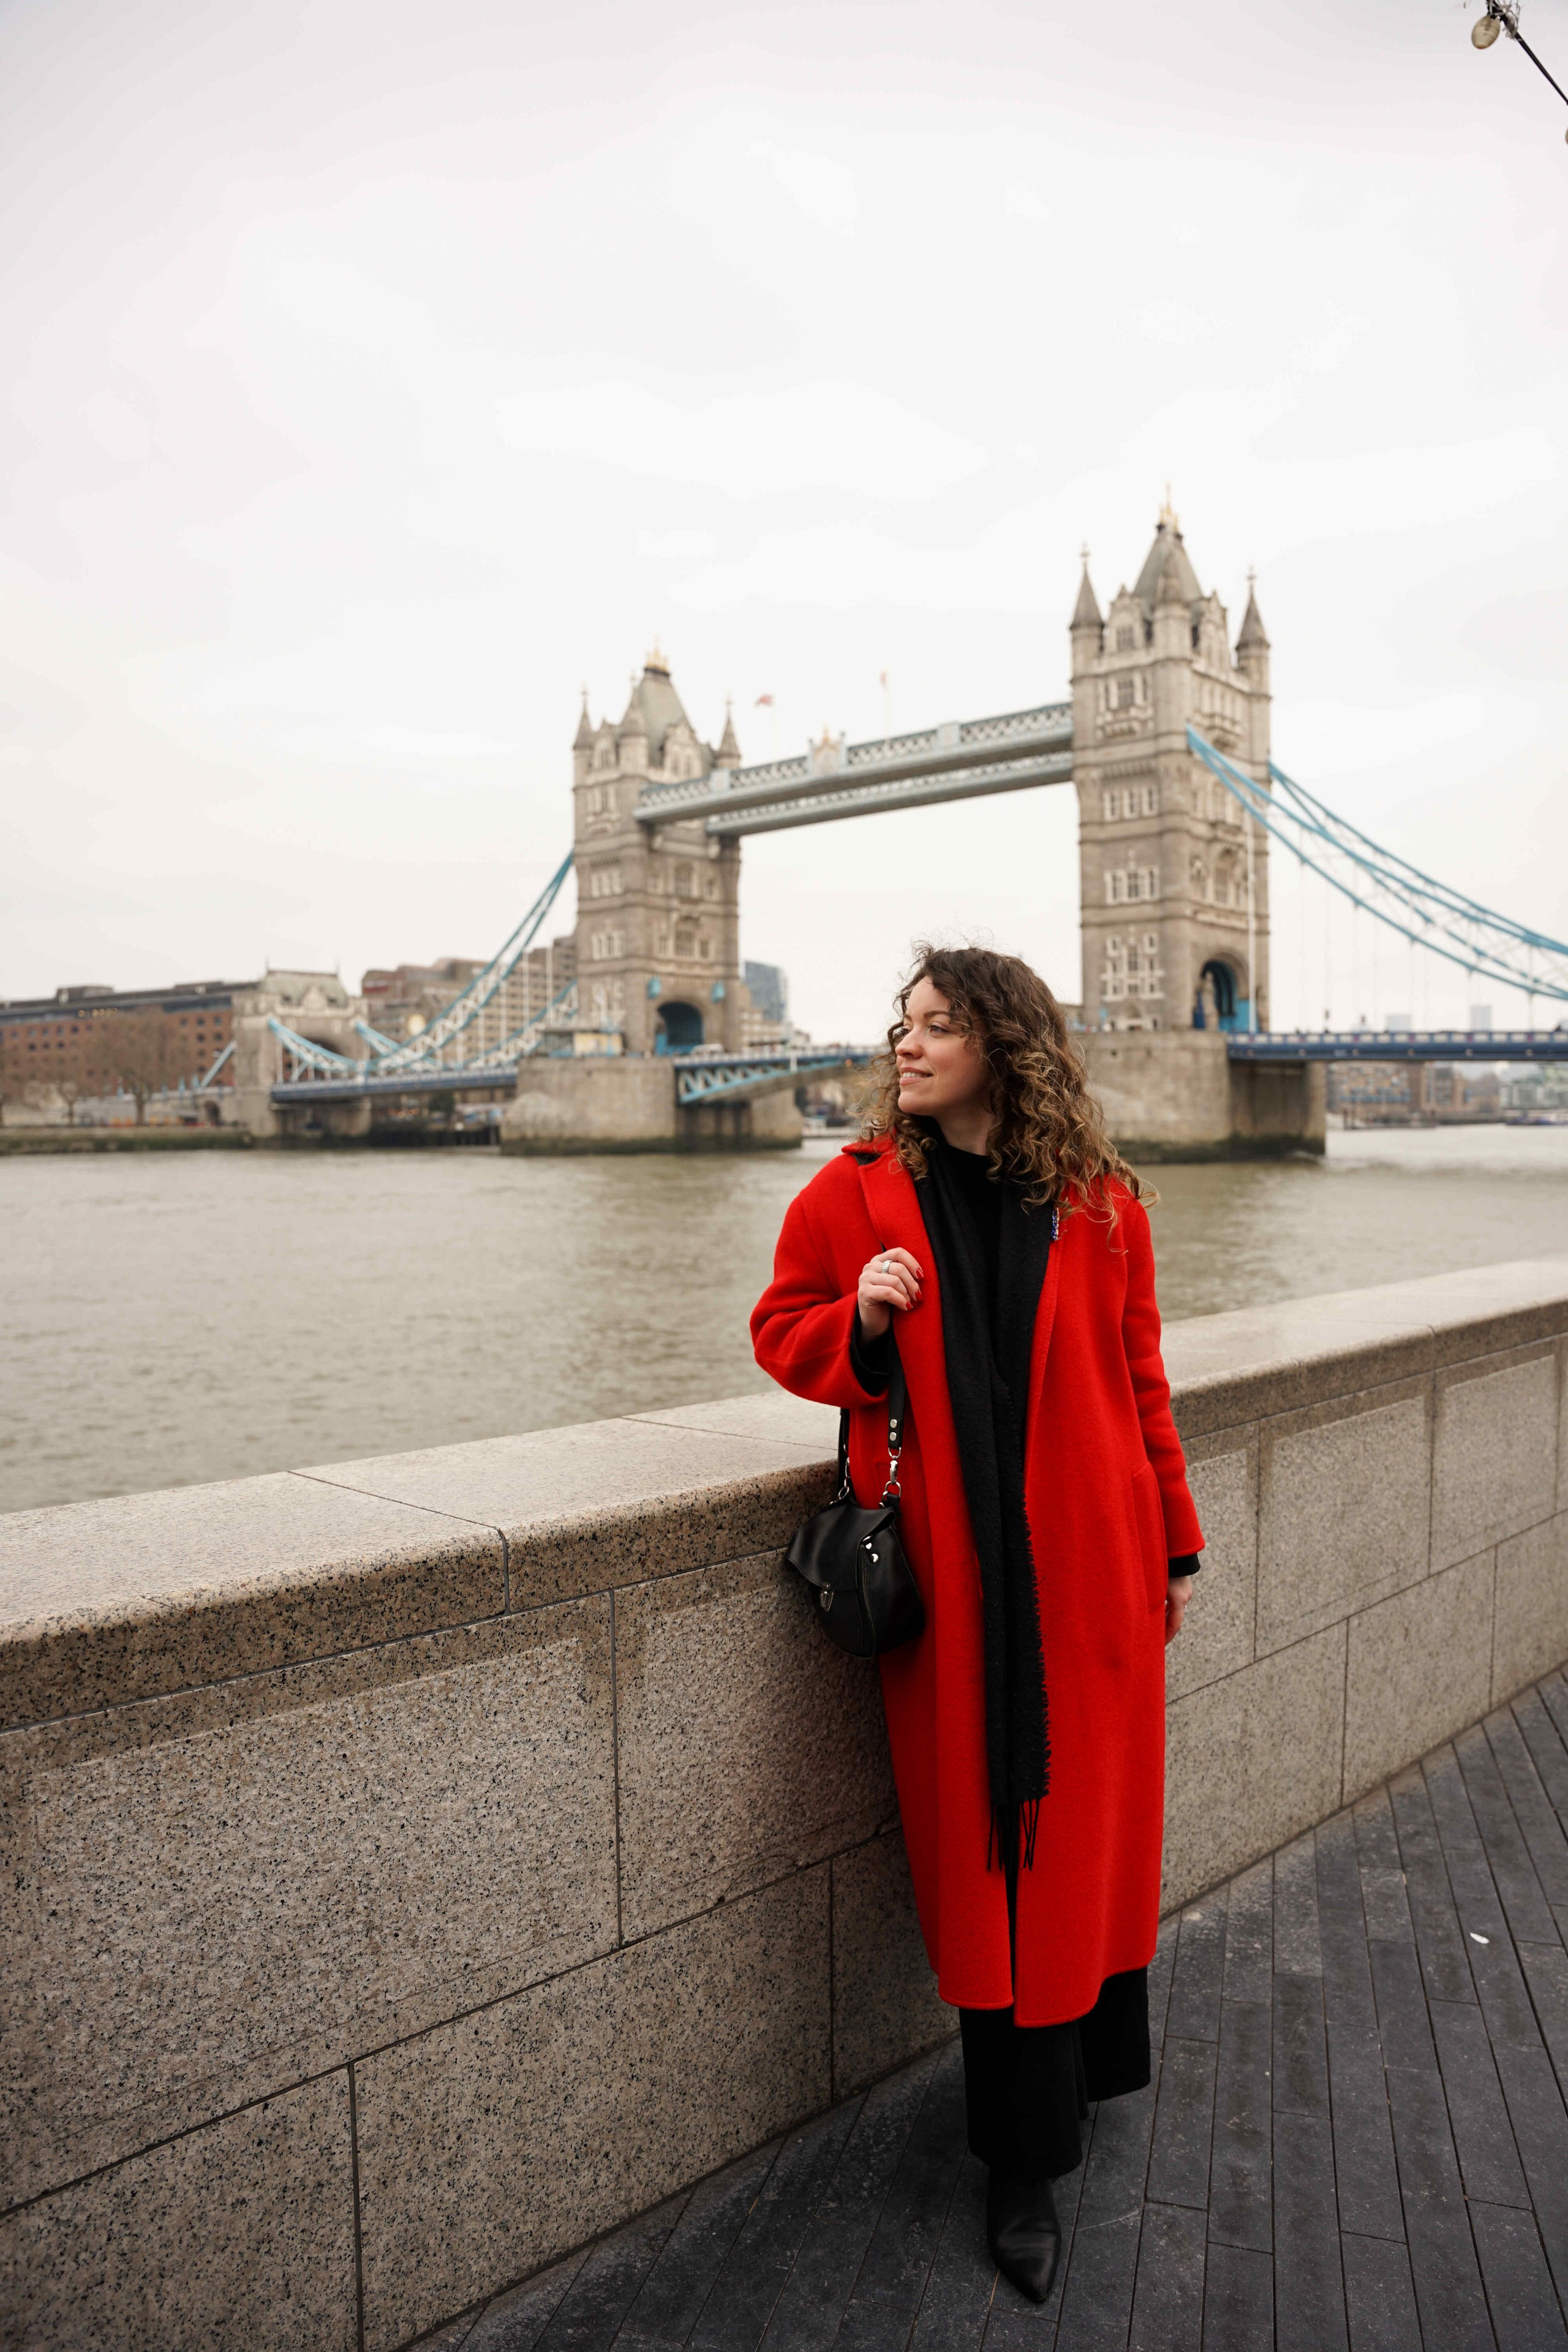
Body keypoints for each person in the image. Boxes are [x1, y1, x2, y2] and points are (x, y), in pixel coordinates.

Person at [750, 946, 1202, 2304]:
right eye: (903, 1023)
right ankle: (1021, 2166)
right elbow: (779, 1333)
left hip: (1091, 1569)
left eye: (939, 1025)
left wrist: (1173, 1539)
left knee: (1084, 1844)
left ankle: (1090, 2074)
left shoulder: (1100, 1202)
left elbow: (1140, 1380)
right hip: (954, 1594)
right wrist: (863, 1321)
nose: (907, 1044)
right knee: (993, 1858)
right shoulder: (851, 1193)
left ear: (1003, 1047)